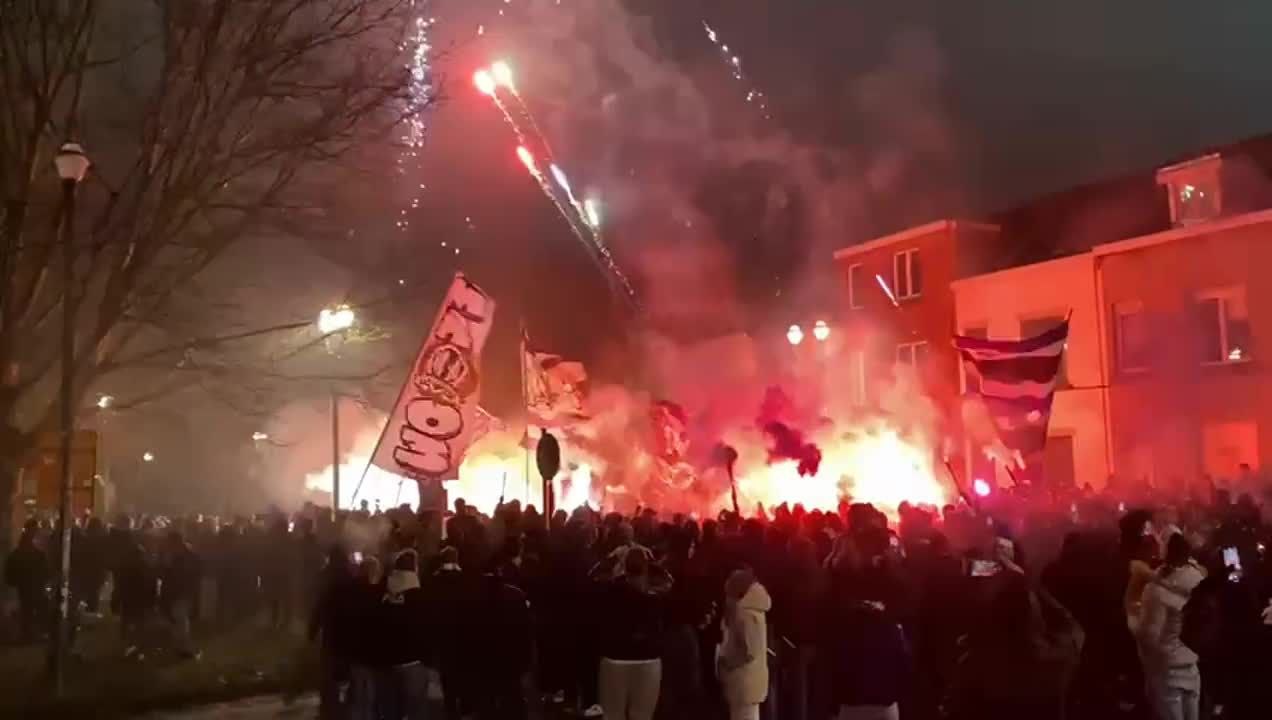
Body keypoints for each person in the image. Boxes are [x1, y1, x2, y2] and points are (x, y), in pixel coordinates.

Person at [1137, 534, 1205, 720]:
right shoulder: (1199, 580)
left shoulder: (1155, 591)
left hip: (1166, 671)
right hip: (1192, 666)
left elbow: (1149, 636)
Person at [597, 548, 669, 720]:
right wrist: (656, 566)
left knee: (613, 714)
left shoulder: (611, 591)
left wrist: (613, 559)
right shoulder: (656, 596)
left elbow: (594, 575)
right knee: (642, 715)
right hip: (648, 658)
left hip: (616, 657)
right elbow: (670, 581)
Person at [377, 548, 431, 720]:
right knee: (417, 710)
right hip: (413, 661)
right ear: (415, 568)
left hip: (388, 661)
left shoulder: (384, 593)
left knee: (391, 712)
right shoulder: (420, 596)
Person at [717, 567, 771, 720]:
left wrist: (727, 663)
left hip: (744, 682)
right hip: (747, 681)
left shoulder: (745, 613)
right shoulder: (750, 610)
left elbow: (750, 650)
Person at [309, 546, 356, 720]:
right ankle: (347, 705)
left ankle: (329, 706)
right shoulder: (352, 575)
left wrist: (312, 630)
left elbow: (318, 605)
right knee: (348, 669)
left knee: (329, 671)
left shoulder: (325, 576)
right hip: (349, 630)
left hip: (331, 630)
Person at [5, 526, 48, 642]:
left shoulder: (16, 554)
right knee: (37, 610)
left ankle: (27, 634)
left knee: (26, 610)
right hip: (36, 587)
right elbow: (45, 571)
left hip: (23, 587)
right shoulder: (38, 555)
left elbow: (9, 571)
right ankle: (35, 633)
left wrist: (12, 582)